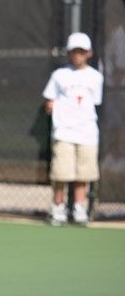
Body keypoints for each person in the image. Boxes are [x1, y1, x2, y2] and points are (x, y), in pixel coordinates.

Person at [42, 32, 104, 226]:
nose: (78, 55)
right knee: (61, 174)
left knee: (83, 175)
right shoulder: (59, 75)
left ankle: (79, 208)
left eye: (82, 51)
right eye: (75, 51)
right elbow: (49, 100)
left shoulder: (96, 77)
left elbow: (96, 102)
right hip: (63, 132)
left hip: (87, 133)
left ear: (89, 53)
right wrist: (50, 107)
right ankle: (58, 207)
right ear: (69, 53)